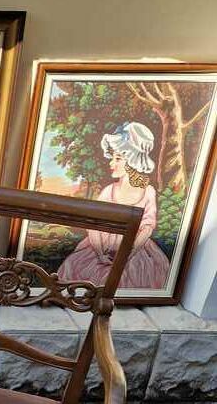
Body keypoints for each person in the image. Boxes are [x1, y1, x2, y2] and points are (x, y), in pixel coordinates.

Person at [56, 121, 170, 289]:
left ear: (132, 160)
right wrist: (100, 252)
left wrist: (127, 253)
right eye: (112, 157)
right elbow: (93, 225)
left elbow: (147, 227)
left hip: (135, 248)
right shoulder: (109, 190)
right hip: (101, 246)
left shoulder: (148, 191)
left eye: (118, 158)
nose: (111, 163)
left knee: (132, 278)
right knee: (82, 271)